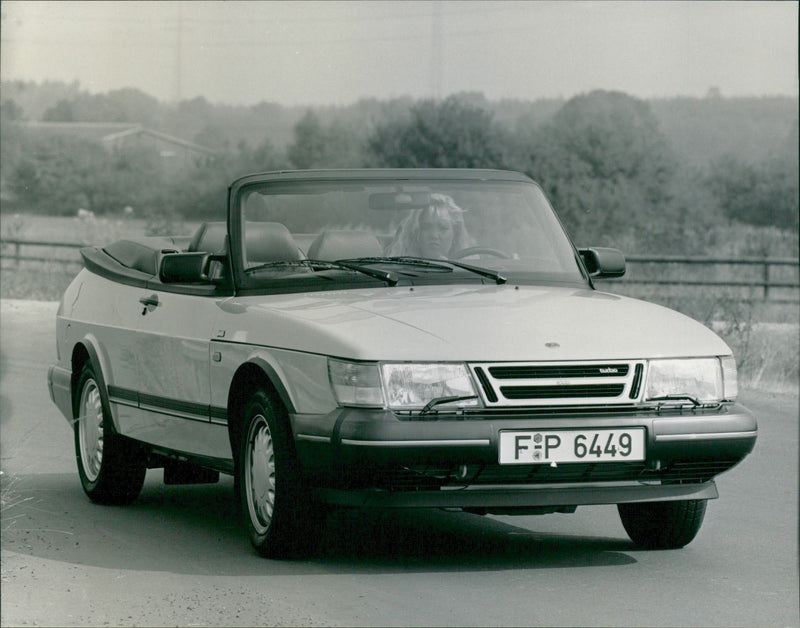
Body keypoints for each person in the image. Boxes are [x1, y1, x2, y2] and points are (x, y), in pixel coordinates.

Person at [386, 193, 474, 259]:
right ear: (415, 233)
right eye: (426, 227)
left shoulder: (473, 274)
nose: (434, 235)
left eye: (443, 228)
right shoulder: (398, 273)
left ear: (455, 234)